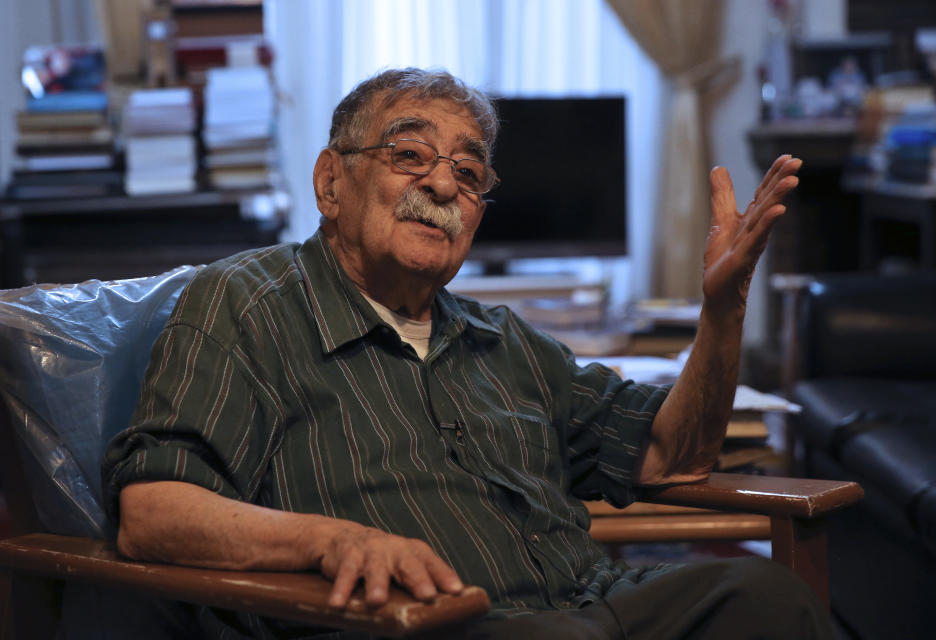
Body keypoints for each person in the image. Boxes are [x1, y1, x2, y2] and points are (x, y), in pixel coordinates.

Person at [103, 68, 828, 639]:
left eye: (470, 173)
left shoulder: (503, 339)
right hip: (418, 624)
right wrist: (333, 542)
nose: (445, 184)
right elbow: (154, 511)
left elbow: (676, 455)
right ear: (331, 182)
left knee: (763, 597)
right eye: (409, 154)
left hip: (596, 606)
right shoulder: (245, 304)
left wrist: (723, 310)